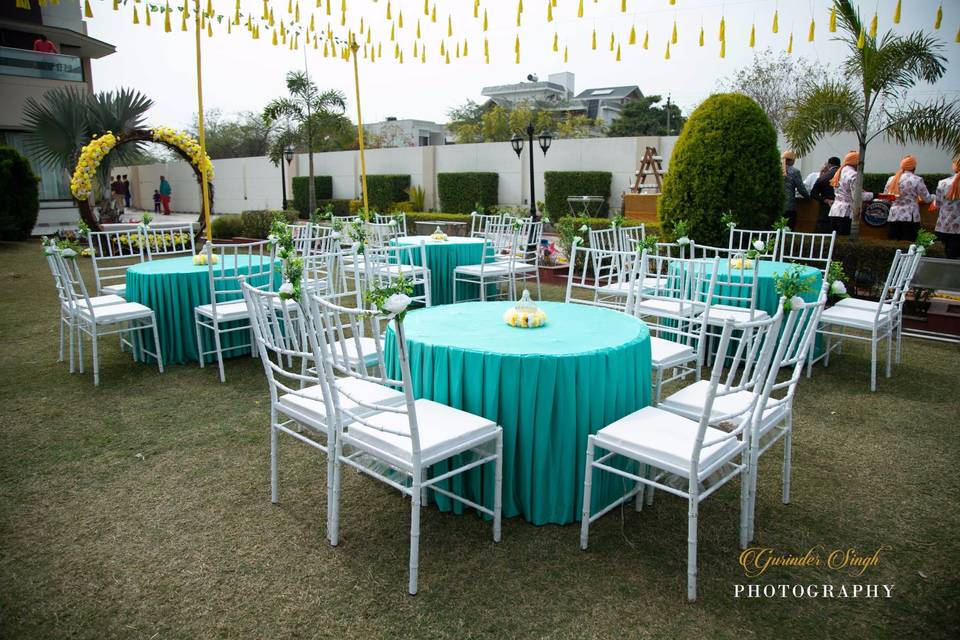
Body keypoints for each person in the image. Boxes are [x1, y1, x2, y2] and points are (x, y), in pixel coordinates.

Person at [884, 155, 933, 241]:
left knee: (893, 244)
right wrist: (935, 197)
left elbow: (885, 197)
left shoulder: (891, 179)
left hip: (894, 216)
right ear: (914, 167)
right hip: (910, 217)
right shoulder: (917, 179)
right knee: (908, 245)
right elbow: (927, 199)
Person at [828, 151, 873, 236]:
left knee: (835, 241)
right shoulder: (854, 175)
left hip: (834, 211)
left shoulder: (839, 172)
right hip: (846, 212)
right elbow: (857, 196)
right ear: (856, 162)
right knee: (845, 240)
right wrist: (874, 195)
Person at [932, 157, 960, 259]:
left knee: (944, 256)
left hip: (944, 225)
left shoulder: (942, 183)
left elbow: (938, 204)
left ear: (955, 166)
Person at [810, 157, 841, 233]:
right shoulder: (845, 175)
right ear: (839, 165)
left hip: (826, 209)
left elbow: (813, 194)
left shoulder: (823, 177)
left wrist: (826, 200)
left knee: (824, 231)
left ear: (829, 165)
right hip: (842, 210)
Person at [781, 150, 809, 230]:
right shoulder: (794, 171)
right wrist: (808, 197)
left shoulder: (775, 168)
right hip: (788, 206)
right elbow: (801, 188)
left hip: (776, 205)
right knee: (789, 227)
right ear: (792, 161)